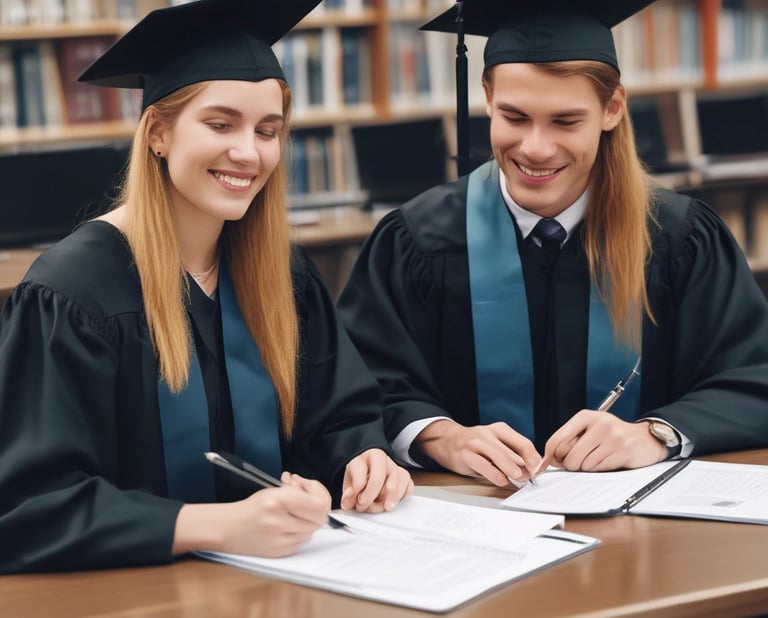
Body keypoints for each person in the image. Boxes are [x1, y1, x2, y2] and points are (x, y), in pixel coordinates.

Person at [0, 0, 413, 574]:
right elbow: (28, 507)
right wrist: (218, 525)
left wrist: (364, 457)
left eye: (267, 130)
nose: (248, 152)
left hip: (286, 582)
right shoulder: (73, 294)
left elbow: (337, 417)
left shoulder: (282, 275)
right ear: (158, 133)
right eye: (220, 124)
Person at [337, 0, 768, 487]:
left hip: (642, 531)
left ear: (612, 110)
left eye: (565, 122)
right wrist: (440, 435)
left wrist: (655, 434)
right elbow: (356, 389)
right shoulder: (418, 241)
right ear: (486, 96)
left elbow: (753, 377)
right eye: (515, 117)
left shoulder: (678, 239)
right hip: (474, 525)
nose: (536, 148)